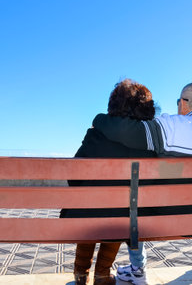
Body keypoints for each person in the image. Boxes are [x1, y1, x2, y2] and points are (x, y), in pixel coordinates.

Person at [92, 81, 192, 283]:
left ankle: (138, 269)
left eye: (179, 102)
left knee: (133, 205)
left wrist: (99, 119)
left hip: (165, 218)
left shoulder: (170, 126)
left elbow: (124, 131)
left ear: (184, 104)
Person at [60, 79, 157, 285]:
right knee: (122, 214)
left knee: (90, 210)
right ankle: (102, 274)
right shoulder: (148, 141)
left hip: (87, 214)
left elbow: (74, 176)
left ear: (114, 104)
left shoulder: (96, 134)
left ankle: (80, 274)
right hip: (125, 218)